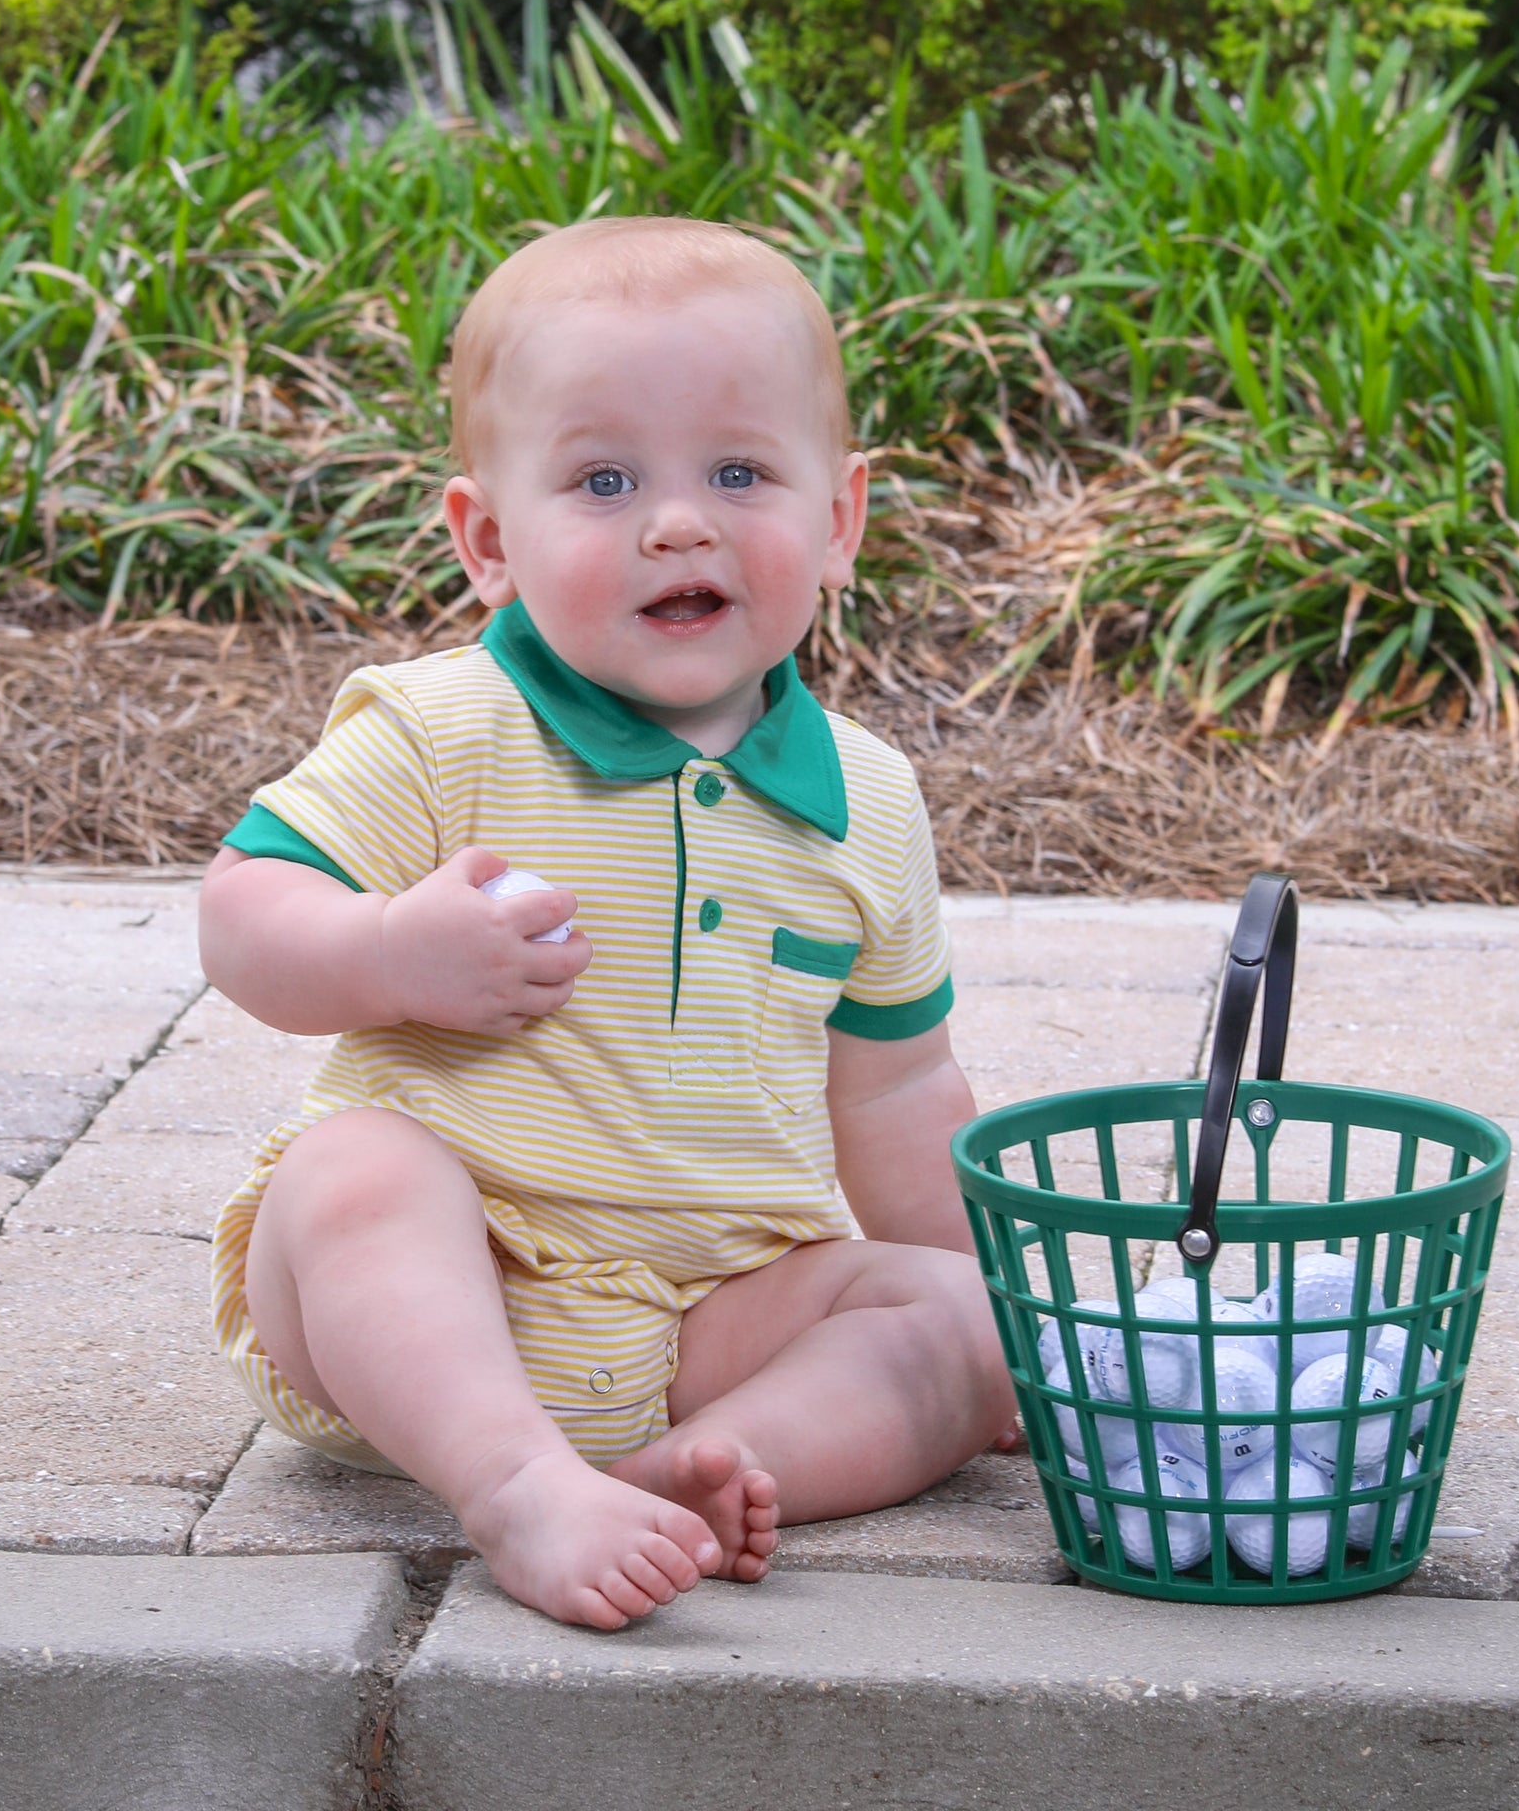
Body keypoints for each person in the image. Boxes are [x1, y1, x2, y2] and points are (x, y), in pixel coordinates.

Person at [199, 216, 1016, 1632]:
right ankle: (511, 1480)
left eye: (740, 472)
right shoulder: (450, 727)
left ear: (838, 524)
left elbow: (892, 1087)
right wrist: (386, 951)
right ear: (489, 541)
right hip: (439, 1299)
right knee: (352, 1173)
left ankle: (697, 1474)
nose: (677, 521)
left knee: (965, 1321)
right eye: (603, 480)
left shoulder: (866, 804)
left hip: (713, 1312)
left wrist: (1011, 1317)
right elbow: (241, 920)